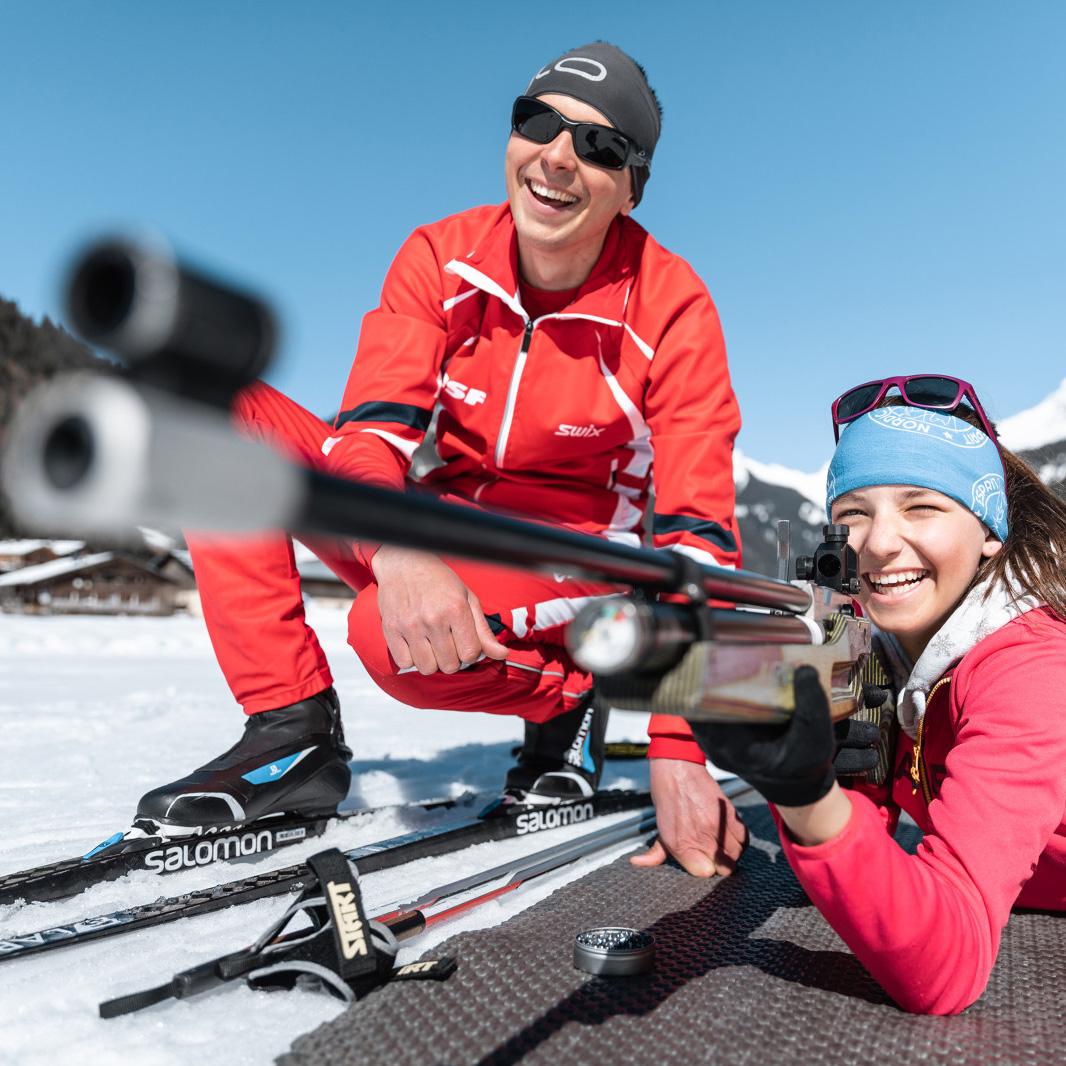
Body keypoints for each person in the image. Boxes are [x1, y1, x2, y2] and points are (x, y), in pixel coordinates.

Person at [135, 41, 747, 866]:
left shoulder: (673, 305)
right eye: (540, 122)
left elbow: (697, 542)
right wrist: (397, 546)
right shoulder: (440, 257)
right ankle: (291, 729)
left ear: (631, 186)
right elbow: (371, 436)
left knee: (386, 642)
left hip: (577, 563)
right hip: (437, 524)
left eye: (600, 146)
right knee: (219, 409)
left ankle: (570, 702)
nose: (559, 157)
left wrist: (679, 749)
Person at [692, 374, 1066, 1015]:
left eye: (922, 505)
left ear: (989, 532)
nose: (879, 543)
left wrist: (804, 794)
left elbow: (947, 970)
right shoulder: (880, 650)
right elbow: (858, 870)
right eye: (852, 515)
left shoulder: (1034, 666)